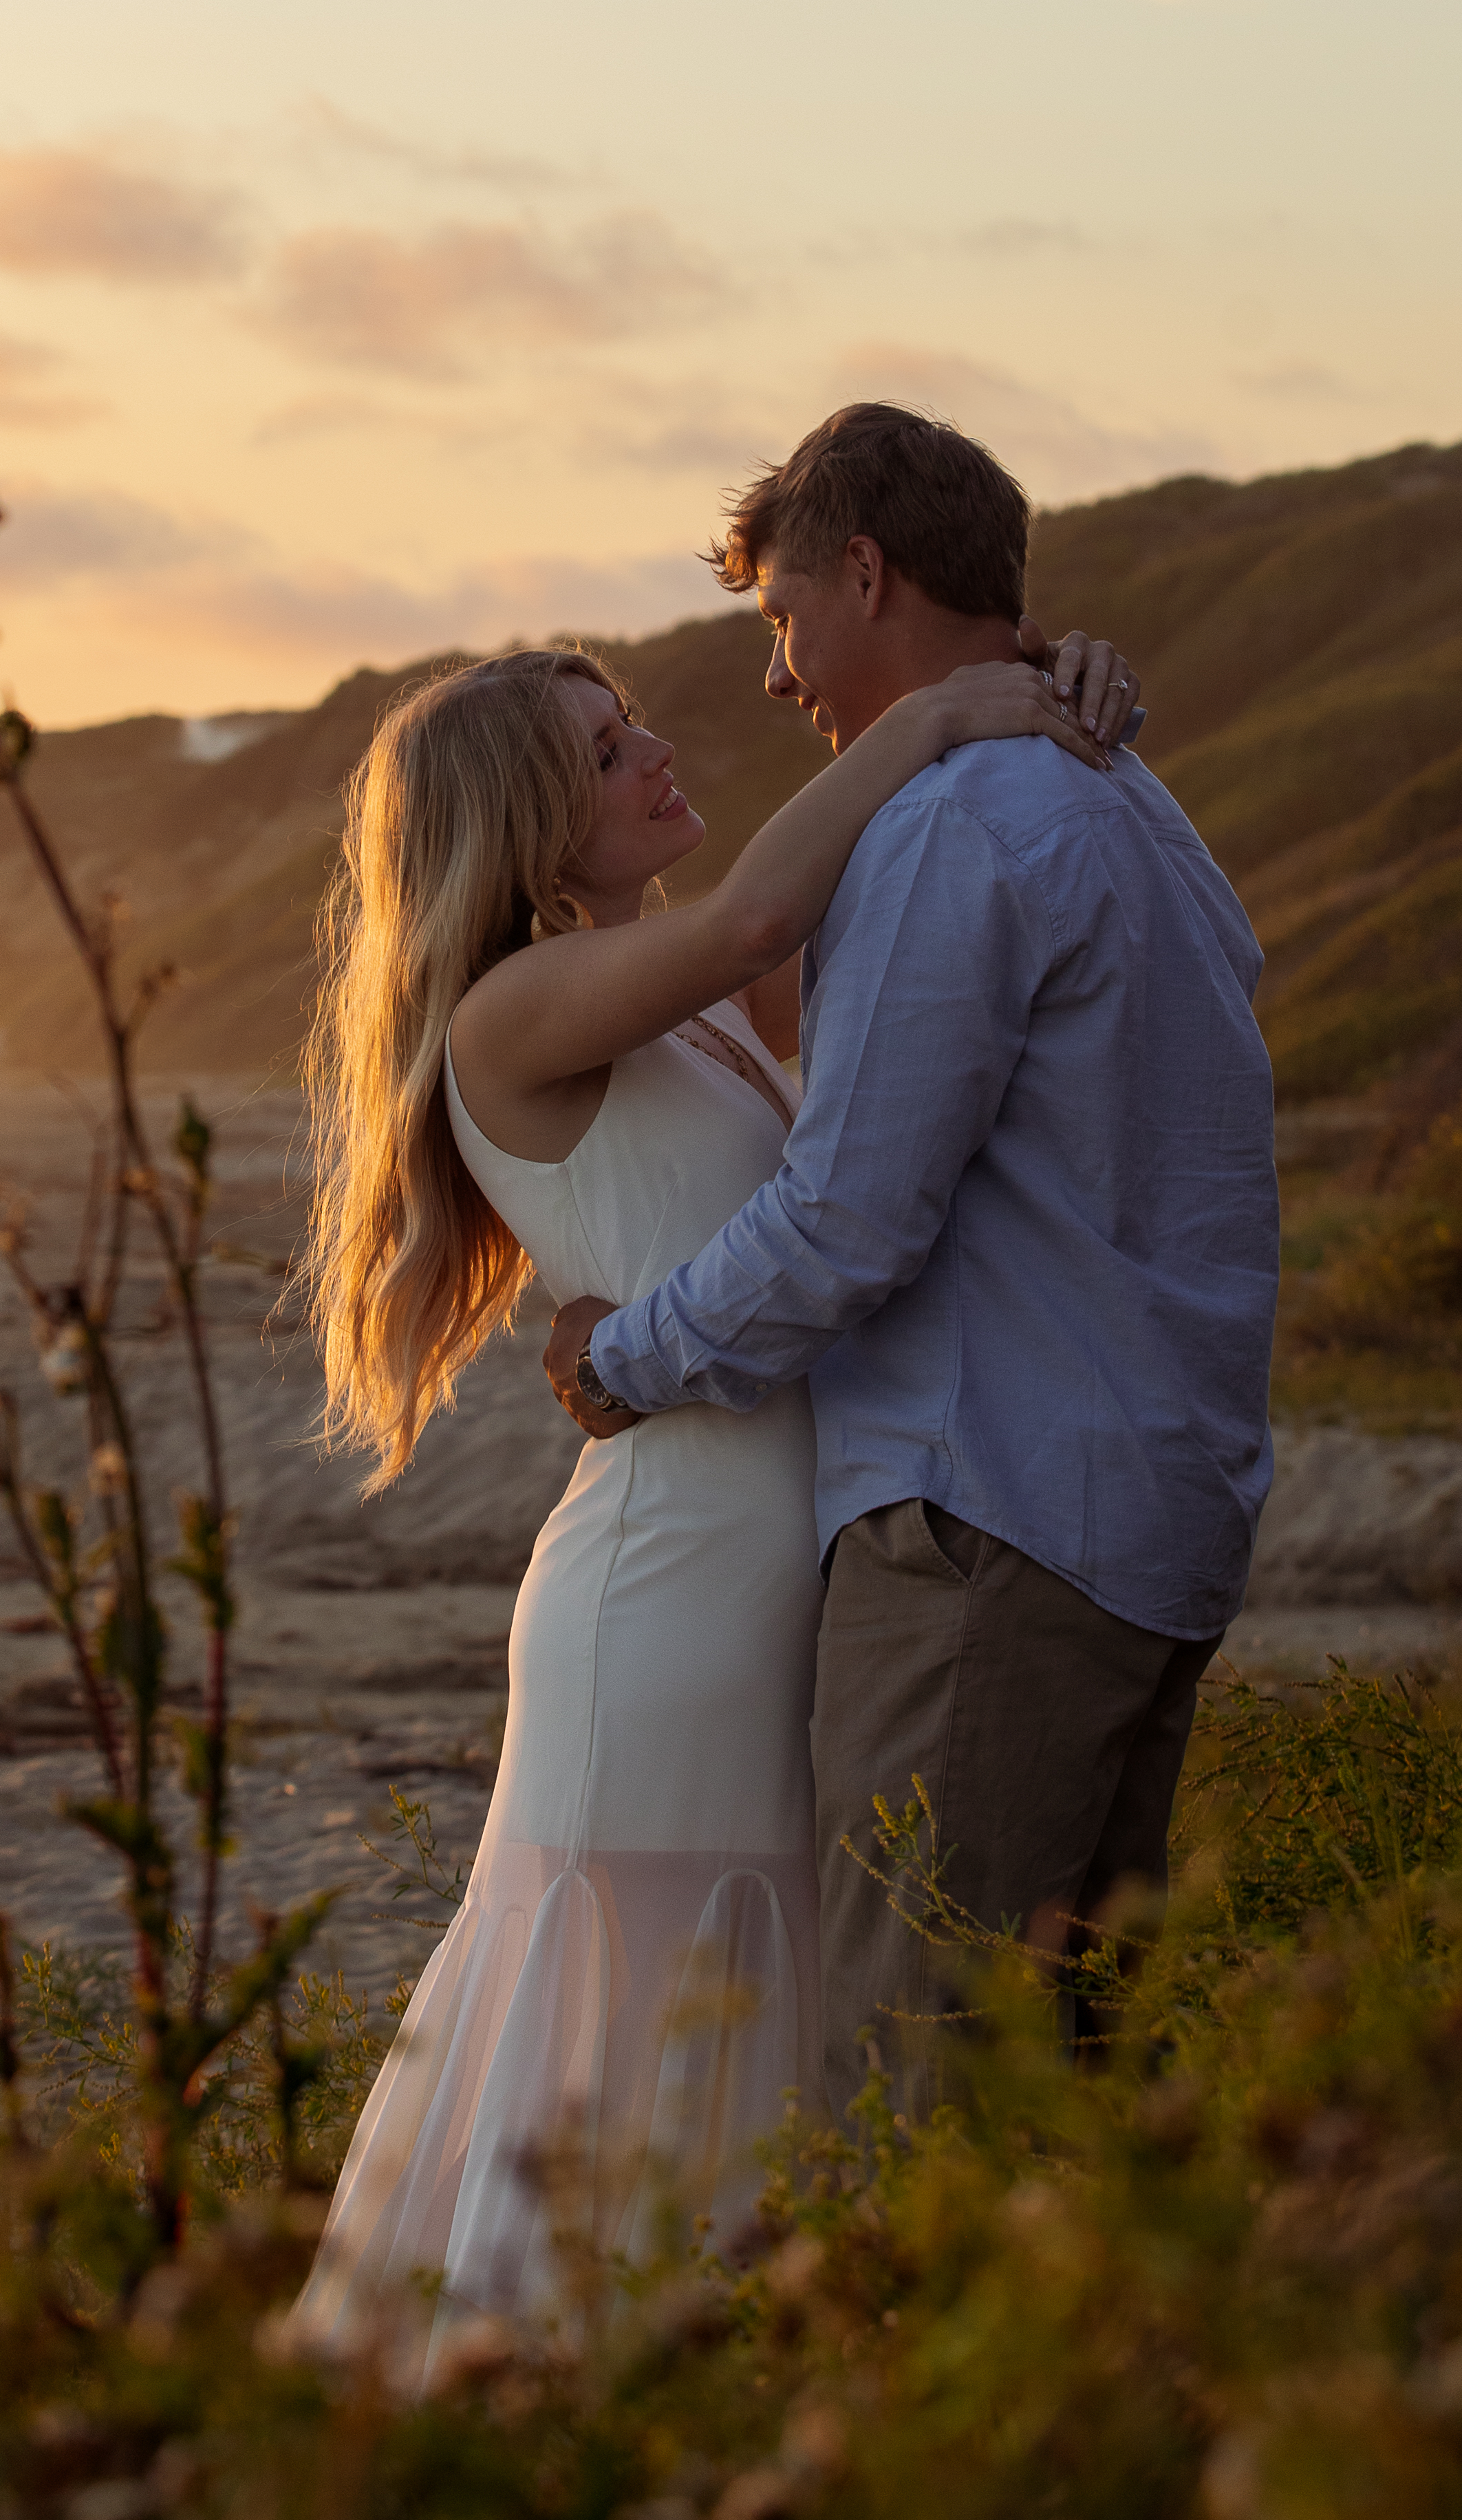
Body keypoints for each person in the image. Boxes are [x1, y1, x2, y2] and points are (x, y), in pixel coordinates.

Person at [279, 586, 1146, 2371]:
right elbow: (776, 890)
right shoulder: (514, 1018)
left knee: (769, 2007)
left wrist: (1058, 681)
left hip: (781, 1571)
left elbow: (898, 960)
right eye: (610, 751)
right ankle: (529, 2438)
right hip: (663, 1599)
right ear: (526, 826)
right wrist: (949, 707)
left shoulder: (710, 1004)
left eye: (641, 722)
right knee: (642, 2019)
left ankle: (700, 2425)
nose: (660, 751)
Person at [544, 403, 1280, 2112]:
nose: (777, 677)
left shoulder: (959, 827)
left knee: (914, 2078)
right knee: (1075, 2079)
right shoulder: (1135, 803)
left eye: (783, 620)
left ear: (864, 572)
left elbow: (847, 1221)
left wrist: (617, 1362)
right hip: (1142, 1518)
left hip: (987, 1525)